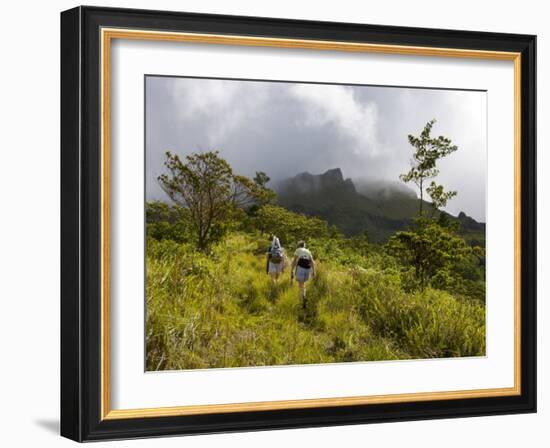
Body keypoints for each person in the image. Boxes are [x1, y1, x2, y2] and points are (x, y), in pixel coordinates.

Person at [290, 240, 315, 307]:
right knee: (303, 283)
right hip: (308, 269)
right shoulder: (308, 251)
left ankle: (302, 297)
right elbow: (312, 262)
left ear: (299, 245)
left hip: (301, 267)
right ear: (304, 245)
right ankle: (303, 296)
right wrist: (313, 272)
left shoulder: (298, 250)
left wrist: (292, 270)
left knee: (301, 284)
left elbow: (294, 260)